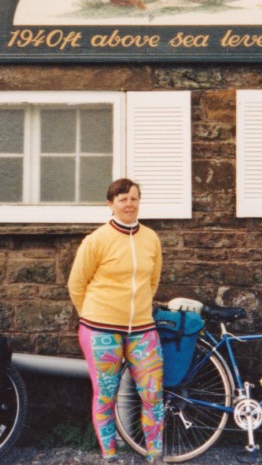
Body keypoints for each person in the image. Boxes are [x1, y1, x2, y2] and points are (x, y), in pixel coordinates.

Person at [68, 178, 164, 463]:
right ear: (110, 204)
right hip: (100, 330)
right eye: (122, 199)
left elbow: (152, 281)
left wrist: (136, 311)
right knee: (105, 396)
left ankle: (154, 454)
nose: (129, 204)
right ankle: (109, 456)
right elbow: (77, 285)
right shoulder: (96, 240)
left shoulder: (151, 238)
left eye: (134, 198)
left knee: (153, 393)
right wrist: (96, 317)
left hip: (143, 330)